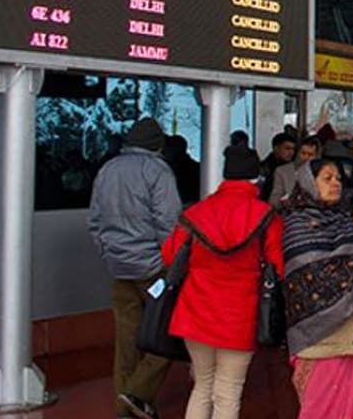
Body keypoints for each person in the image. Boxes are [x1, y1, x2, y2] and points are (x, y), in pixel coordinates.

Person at [161, 146, 284, 419]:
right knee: (228, 392)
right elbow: (277, 268)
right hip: (239, 316)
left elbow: (170, 255)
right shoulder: (266, 216)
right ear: (256, 178)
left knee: (202, 386)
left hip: (195, 313)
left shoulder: (197, 212)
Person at [87, 117, 180, 419]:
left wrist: (110, 254)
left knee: (126, 342)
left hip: (119, 269)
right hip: (154, 269)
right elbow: (168, 222)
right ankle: (137, 394)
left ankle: (124, 408)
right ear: (158, 144)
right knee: (165, 336)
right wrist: (170, 263)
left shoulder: (107, 169)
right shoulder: (157, 171)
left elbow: (95, 221)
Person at [283, 158, 353, 419]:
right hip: (318, 335)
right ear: (309, 183)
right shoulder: (297, 224)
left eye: (339, 179)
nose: (335, 184)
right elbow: (315, 275)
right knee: (320, 408)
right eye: (327, 178)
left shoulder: (344, 221)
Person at [268, 135, 320, 208]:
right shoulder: (282, 171)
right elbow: (274, 201)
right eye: (303, 153)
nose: (306, 158)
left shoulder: (323, 173)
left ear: (317, 156)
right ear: (297, 153)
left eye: (310, 155)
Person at [259, 132, 296, 202]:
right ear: (276, 148)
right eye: (287, 148)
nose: (291, 152)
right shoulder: (264, 169)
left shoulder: (294, 168)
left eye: (293, 149)